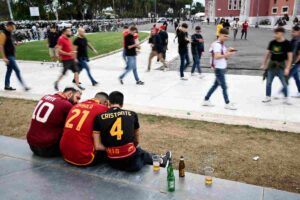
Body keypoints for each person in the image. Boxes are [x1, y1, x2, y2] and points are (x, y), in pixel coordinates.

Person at [93, 91, 171, 172]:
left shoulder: (99, 117)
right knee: (140, 153)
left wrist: (113, 150)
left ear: (109, 102)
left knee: (139, 152)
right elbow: (136, 141)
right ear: (122, 104)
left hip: (112, 161)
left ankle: (160, 159)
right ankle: (162, 160)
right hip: (131, 162)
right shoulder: (132, 114)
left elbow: (97, 146)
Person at [27, 87, 81, 157]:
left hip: (32, 145)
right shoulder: (66, 104)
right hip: (48, 148)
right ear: (70, 94)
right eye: (77, 98)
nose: (78, 102)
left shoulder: (45, 96)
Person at [60, 92, 109, 166]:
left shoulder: (76, 105)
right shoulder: (103, 108)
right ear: (106, 102)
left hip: (65, 153)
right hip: (85, 157)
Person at [203, 28, 237, 110]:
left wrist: (228, 52)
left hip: (221, 68)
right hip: (219, 68)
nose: (226, 38)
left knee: (215, 85)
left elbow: (223, 56)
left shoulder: (221, 44)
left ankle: (206, 100)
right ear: (220, 35)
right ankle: (227, 103)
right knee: (224, 87)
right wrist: (228, 53)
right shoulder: (217, 44)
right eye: (225, 36)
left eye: (227, 36)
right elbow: (217, 56)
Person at [261, 27, 292, 104]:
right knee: (268, 82)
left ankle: (286, 98)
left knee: (284, 83)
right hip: (272, 65)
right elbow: (267, 53)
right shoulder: (272, 42)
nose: (275, 35)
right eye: (275, 33)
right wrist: (263, 64)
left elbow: (289, 57)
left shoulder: (287, 43)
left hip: (281, 66)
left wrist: (287, 68)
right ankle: (268, 97)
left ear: (281, 33)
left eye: (276, 33)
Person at [0, 21, 30, 91]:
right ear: (9, 26)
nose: (13, 28)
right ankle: (24, 86)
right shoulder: (3, 34)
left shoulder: (9, 33)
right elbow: (1, 46)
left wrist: (16, 44)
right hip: (8, 56)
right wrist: (4, 57)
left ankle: (6, 86)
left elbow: (9, 44)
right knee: (17, 70)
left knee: (9, 71)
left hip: (11, 55)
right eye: (12, 27)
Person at [288, 26, 300, 97]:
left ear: (298, 32)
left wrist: (293, 63)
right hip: (293, 62)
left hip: (296, 63)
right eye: (291, 31)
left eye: (293, 32)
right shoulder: (293, 40)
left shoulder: (299, 41)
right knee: (296, 78)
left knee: (287, 77)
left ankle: (282, 92)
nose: (291, 33)